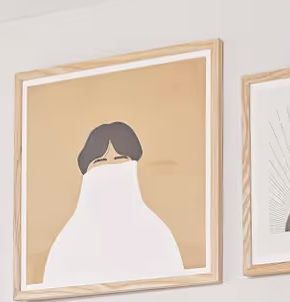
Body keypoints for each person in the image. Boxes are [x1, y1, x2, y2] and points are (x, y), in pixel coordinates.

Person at [42, 121, 184, 286]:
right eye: (100, 161)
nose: (110, 168)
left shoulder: (157, 235)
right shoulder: (67, 244)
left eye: (120, 159)